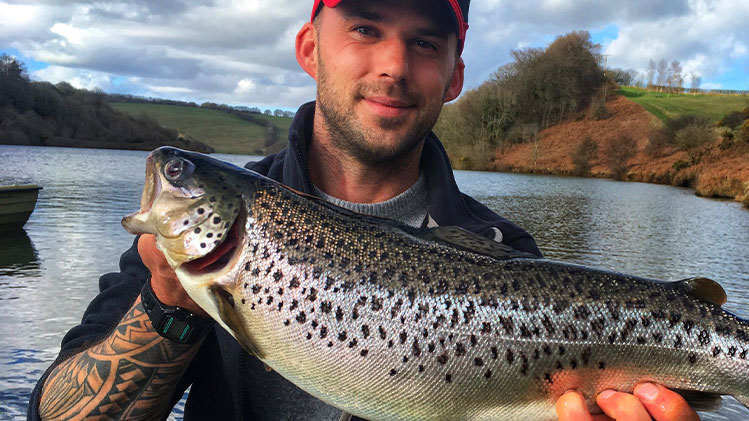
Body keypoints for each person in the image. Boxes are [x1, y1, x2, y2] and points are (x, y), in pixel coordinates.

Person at [29, 1, 700, 420]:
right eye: (366, 27)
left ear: (456, 75)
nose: (394, 64)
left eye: (425, 43)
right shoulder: (176, 256)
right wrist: (170, 299)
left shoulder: (507, 253)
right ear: (309, 48)